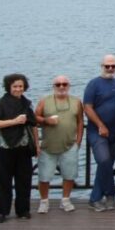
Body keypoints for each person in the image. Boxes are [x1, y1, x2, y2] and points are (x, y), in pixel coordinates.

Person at [0, 73, 38, 223]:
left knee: (24, 180)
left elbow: (33, 124)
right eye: (15, 86)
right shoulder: (1, 103)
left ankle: (23, 210)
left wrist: (37, 145)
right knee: (4, 181)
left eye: (21, 86)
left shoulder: (26, 103)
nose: (18, 89)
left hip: (23, 147)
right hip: (4, 147)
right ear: (9, 87)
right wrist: (14, 121)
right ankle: (2, 212)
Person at [34, 75, 84, 214]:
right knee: (44, 176)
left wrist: (78, 141)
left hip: (69, 145)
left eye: (64, 84)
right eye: (58, 84)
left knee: (69, 175)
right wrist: (46, 120)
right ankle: (44, 201)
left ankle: (65, 200)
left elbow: (80, 121)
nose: (61, 87)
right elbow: (34, 119)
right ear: (53, 86)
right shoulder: (44, 101)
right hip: (47, 146)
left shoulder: (77, 102)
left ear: (69, 86)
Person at [83, 54, 115, 212]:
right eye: (107, 66)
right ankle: (109, 194)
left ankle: (97, 198)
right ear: (101, 66)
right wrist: (100, 125)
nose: (110, 69)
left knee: (106, 165)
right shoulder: (93, 84)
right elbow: (87, 107)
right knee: (104, 161)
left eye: (113, 66)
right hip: (97, 131)